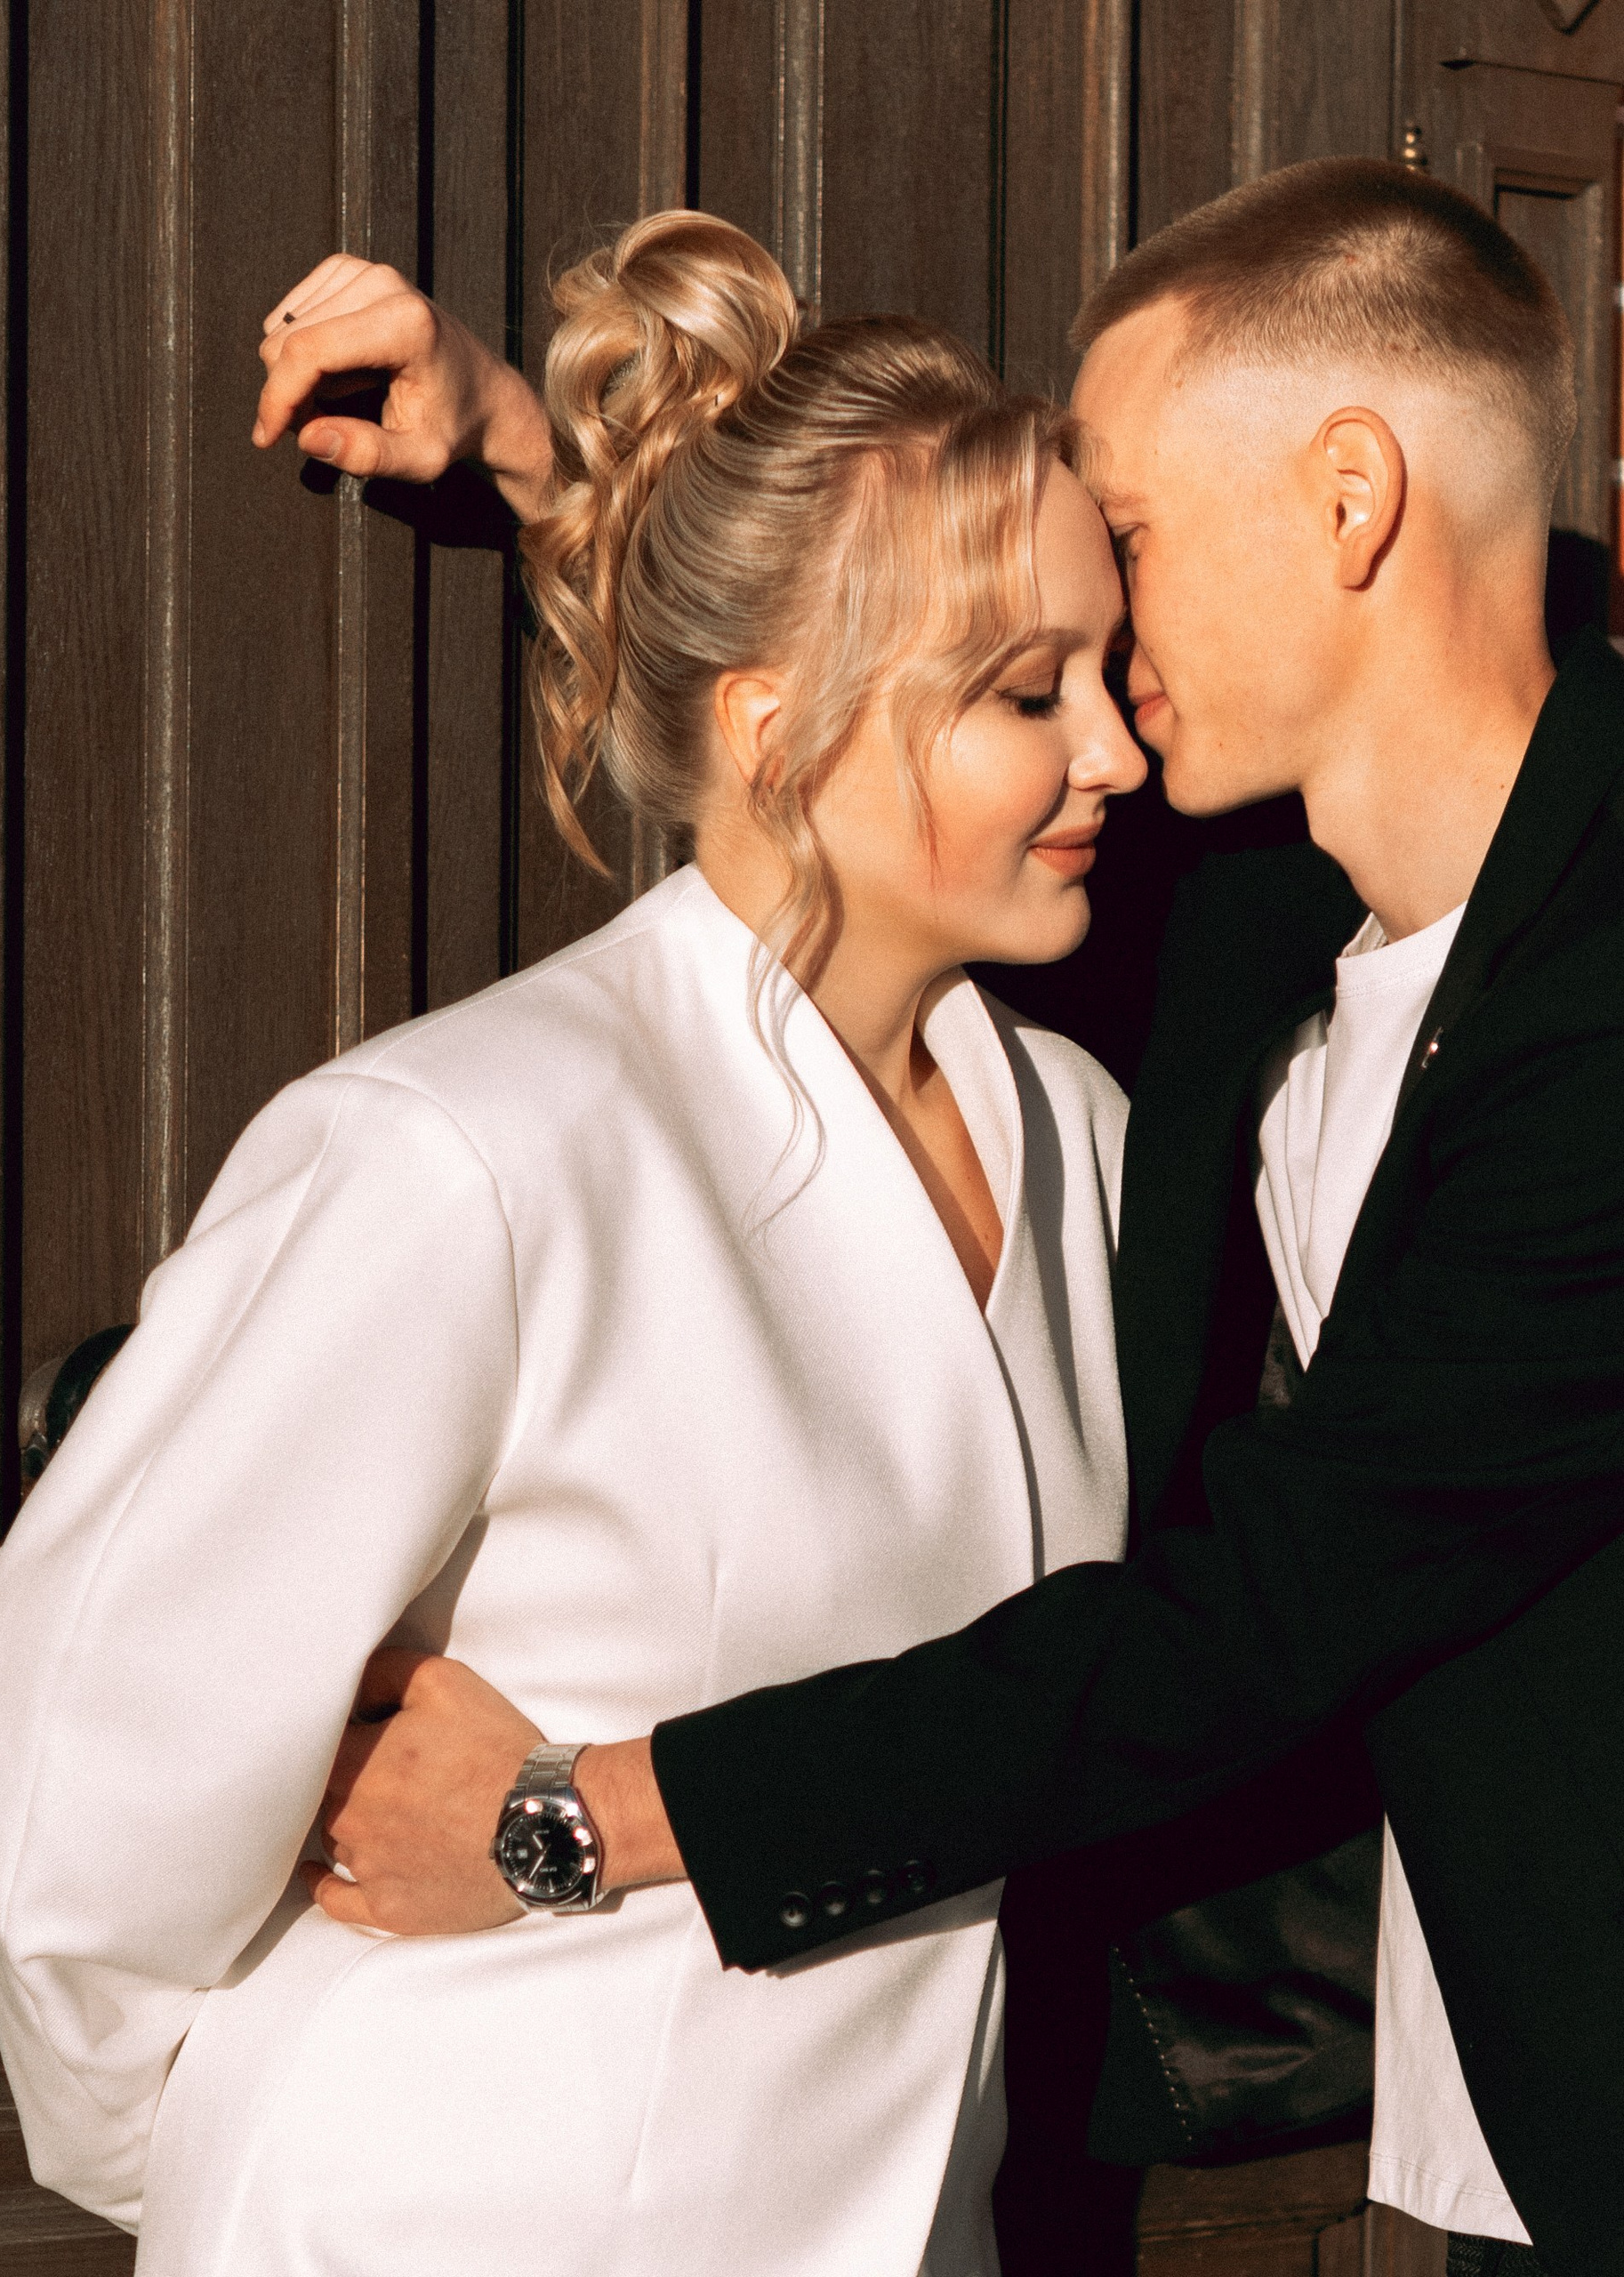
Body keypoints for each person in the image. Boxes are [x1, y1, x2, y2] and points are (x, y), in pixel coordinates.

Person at [258, 163, 1624, 2277]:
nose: (1093, 632)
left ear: (1351, 499)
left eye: (1130, 535)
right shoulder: (1256, 905)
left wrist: (581, 1815)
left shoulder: (1601, 1008)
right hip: (1439, 2121)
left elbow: (1252, 1613)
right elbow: (865, 707)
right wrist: (543, 460)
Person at [0, 210, 1150, 2276]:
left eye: (1111, 671)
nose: (1117, 748)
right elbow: (85, 1739)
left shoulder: (1088, 1141)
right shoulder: (471, 1147)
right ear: (774, 725)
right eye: (1030, 689)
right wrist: (237, 2154)